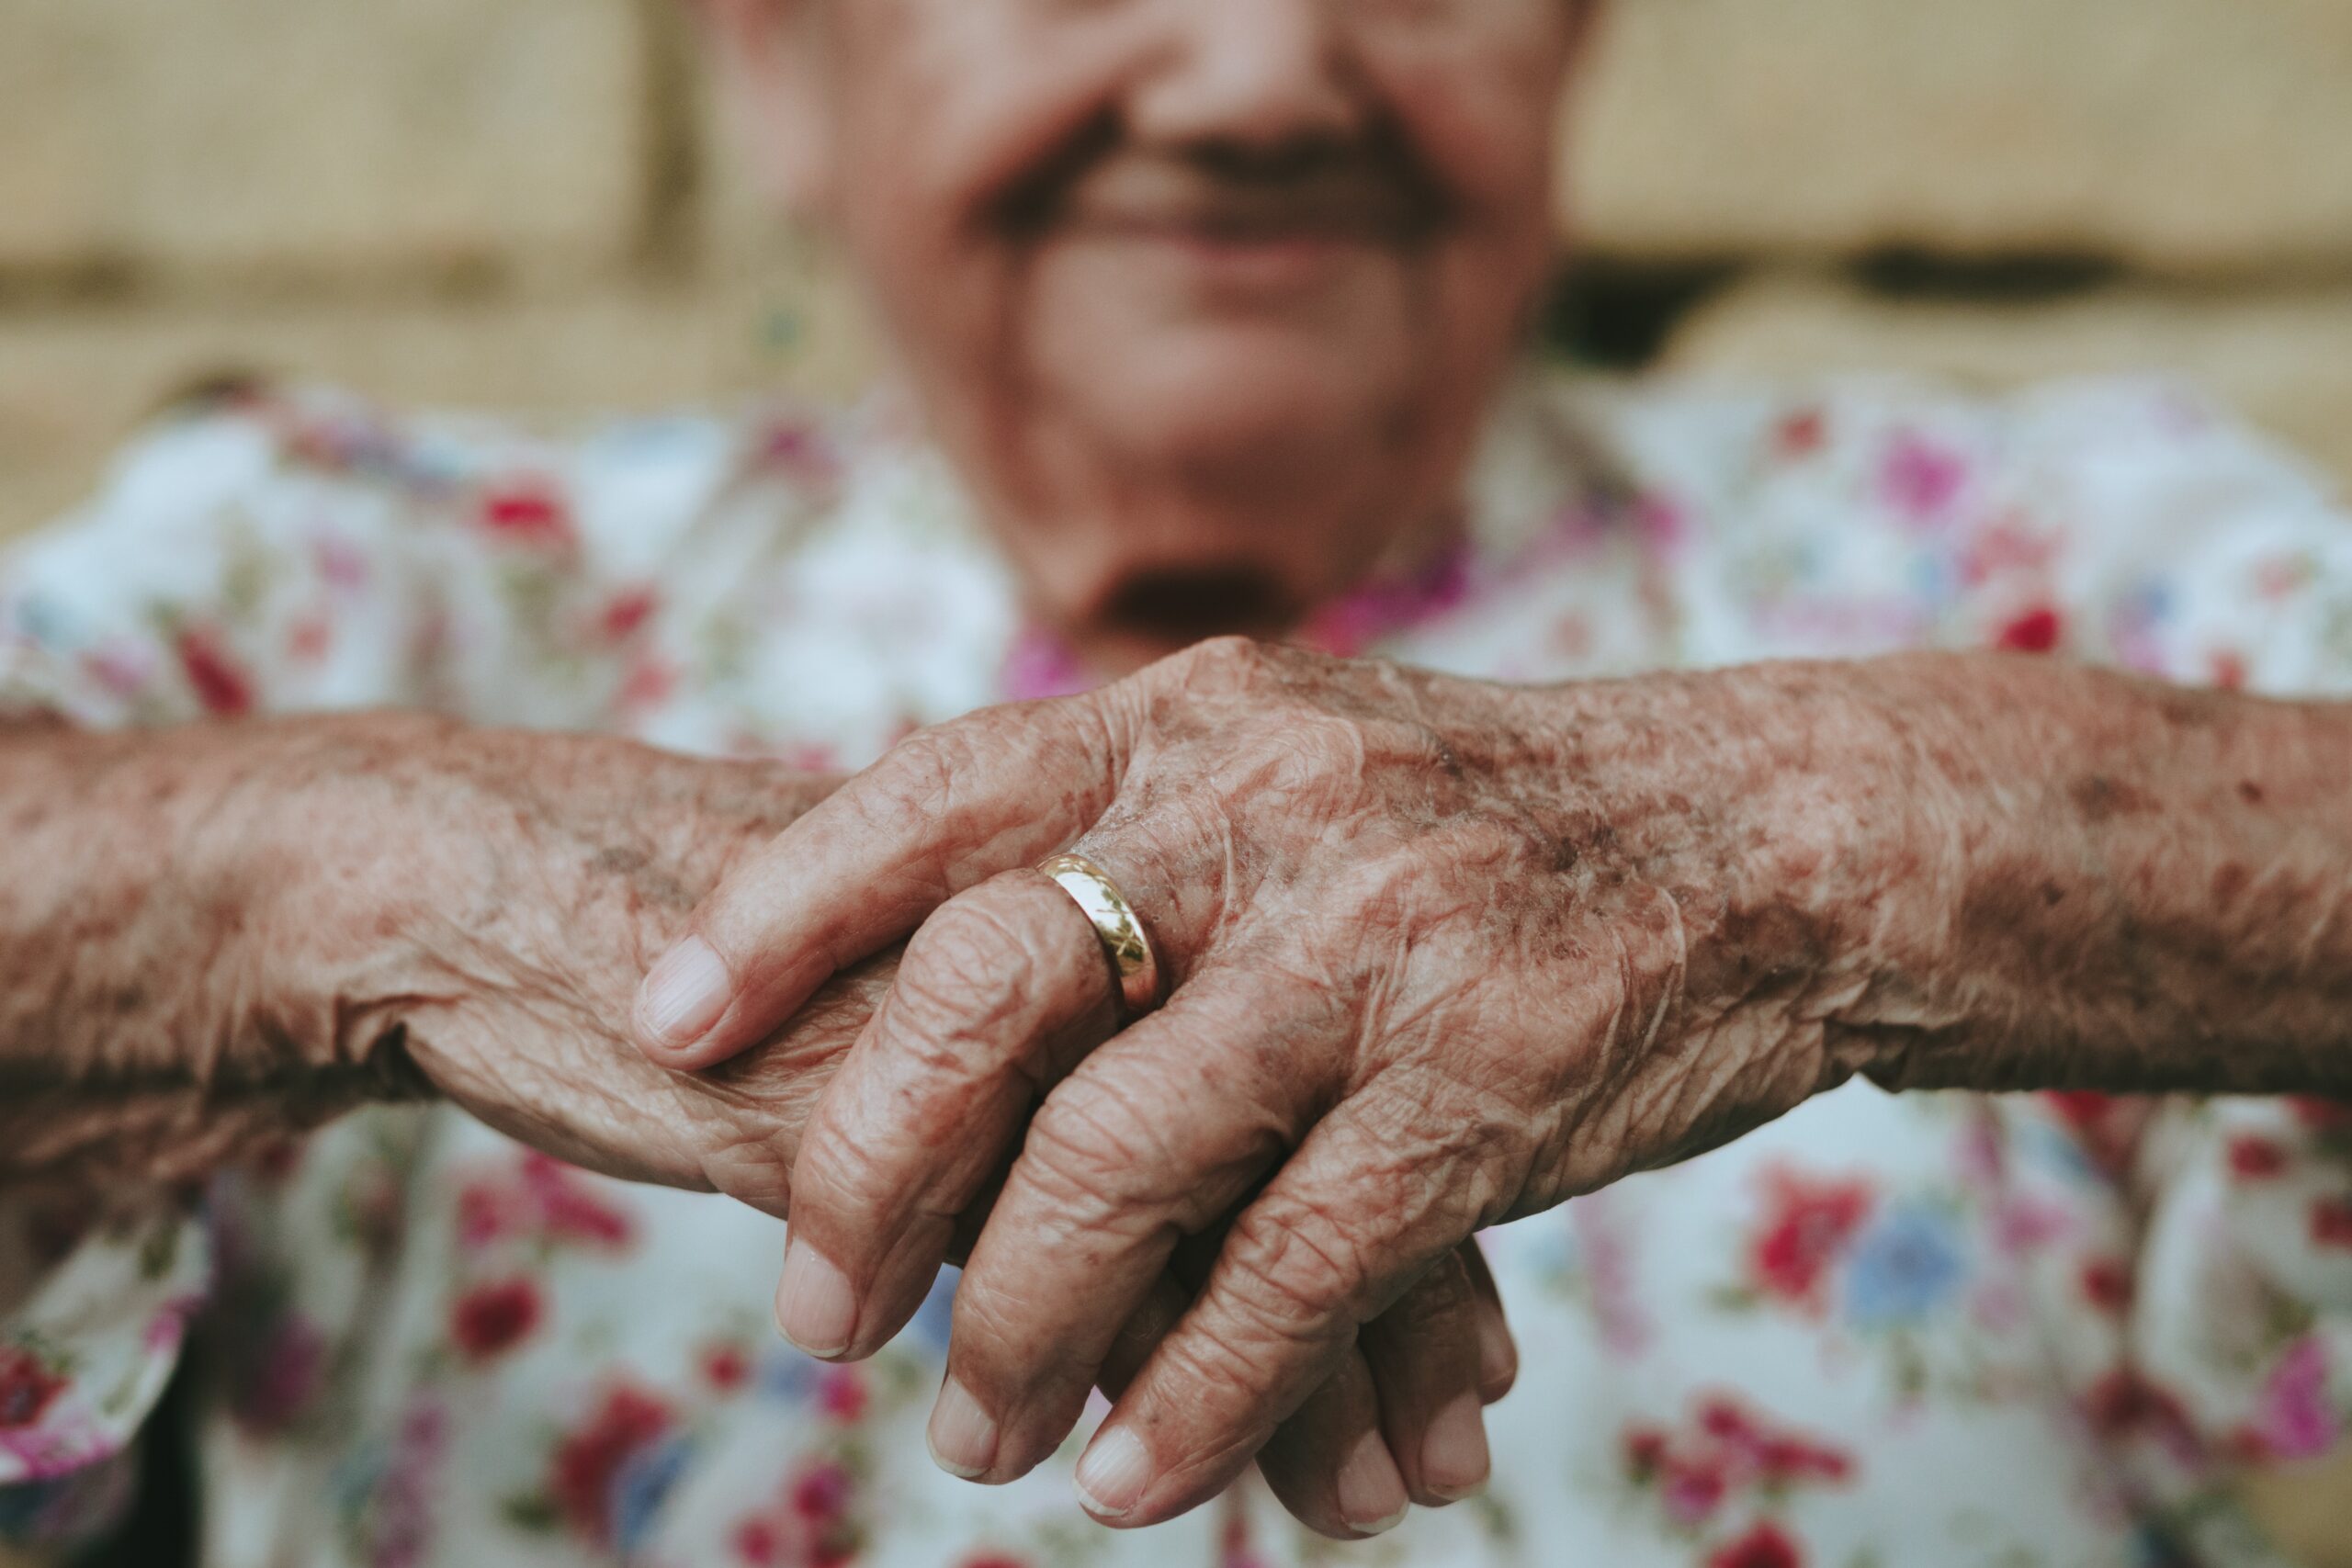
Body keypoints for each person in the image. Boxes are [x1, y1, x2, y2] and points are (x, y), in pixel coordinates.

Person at [4, 0, 2348, 1563]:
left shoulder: (2046, 575)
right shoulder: (368, 589)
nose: (1249, 75)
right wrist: (356, 870)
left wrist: (1821, 839)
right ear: (777, 62)